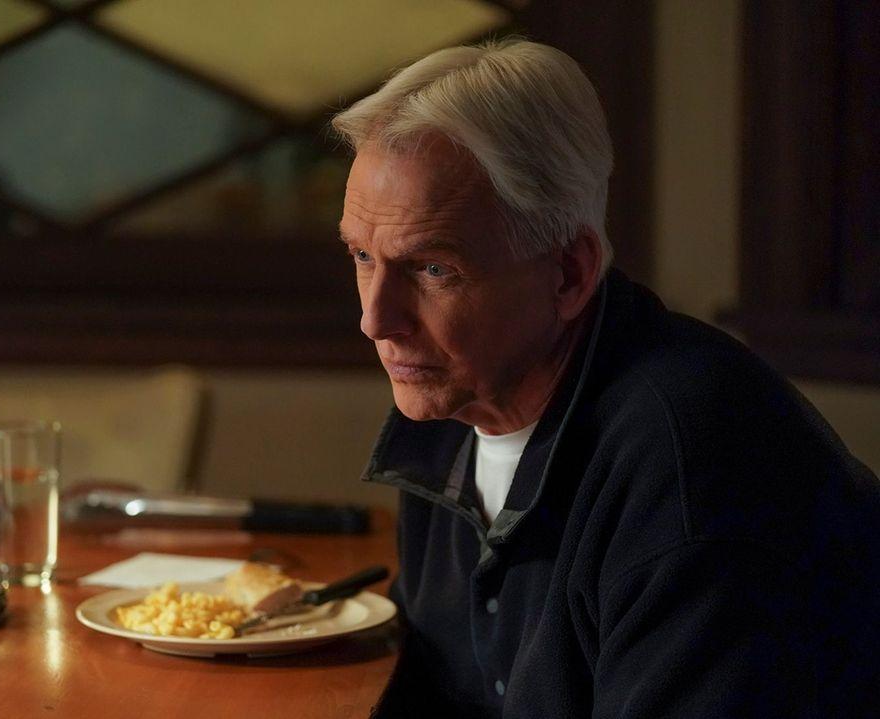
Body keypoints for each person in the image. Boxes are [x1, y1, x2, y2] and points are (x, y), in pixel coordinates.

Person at [332, 39, 880, 718]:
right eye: (362, 255)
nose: (375, 320)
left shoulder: (694, 467)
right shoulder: (453, 408)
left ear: (568, 274)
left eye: (432, 269)